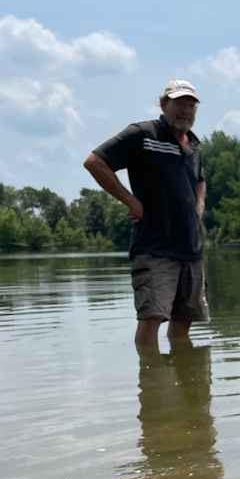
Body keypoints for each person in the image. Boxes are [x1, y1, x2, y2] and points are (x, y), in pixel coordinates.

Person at [83, 78, 208, 350]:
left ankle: (185, 384)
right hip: (154, 248)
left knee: (184, 321)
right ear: (164, 104)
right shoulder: (142, 134)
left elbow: (200, 180)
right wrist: (130, 201)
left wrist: (199, 206)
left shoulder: (194, 145)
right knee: (152, 317)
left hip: (191, 249)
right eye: (179, 104)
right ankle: (154, 386)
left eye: (191, 105)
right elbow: (95, 162)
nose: (185, 111)